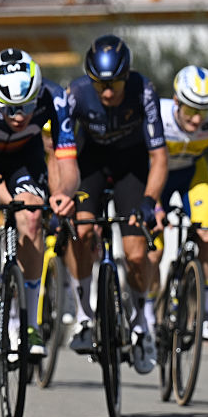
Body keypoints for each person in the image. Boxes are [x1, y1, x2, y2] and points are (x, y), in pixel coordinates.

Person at [0, 48, 79, 362]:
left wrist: (64, 193)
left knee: (32, 214)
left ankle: (29, 323)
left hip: (23, 161)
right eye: (9, 108)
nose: (18, 116)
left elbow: (67, 162)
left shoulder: (54, 97)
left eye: (27, 106)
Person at [64, 35, 168, 374]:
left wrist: (151, 201)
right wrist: (60, 191)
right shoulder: (76, 94)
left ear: (128, 76)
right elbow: (57, 149)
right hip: (91, 164)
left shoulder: (143, 91)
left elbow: (159, 157)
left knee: (137, 252)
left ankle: (142, 324)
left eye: (115, 84)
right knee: (79, 231)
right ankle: (83, 316)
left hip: (131, 167)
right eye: (101, 85)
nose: (108, 93)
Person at [149, 65, 208, 341]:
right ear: (176, 101)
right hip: (157, 175)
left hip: (192, 174)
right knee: (154, 247)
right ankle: (146, 312)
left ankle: (204, 311)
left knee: (207, 233)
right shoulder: (157, 115)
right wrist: (152, 204)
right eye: (190, 109)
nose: (196, 119)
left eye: (204, 111)